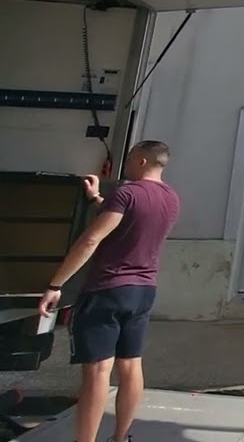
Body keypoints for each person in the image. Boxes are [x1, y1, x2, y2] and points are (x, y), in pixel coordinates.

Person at [37, 140, 181, 442]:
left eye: (130, 158)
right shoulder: (170, 198)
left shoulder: (127, 193)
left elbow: (92, 240)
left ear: (142, 161)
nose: (126, 164)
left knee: (98, 372)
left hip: (108, 290)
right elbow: (126, 219)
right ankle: (120, 437)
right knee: (130, 365)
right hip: (144, 292)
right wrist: (96, 199)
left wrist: (56, 284)